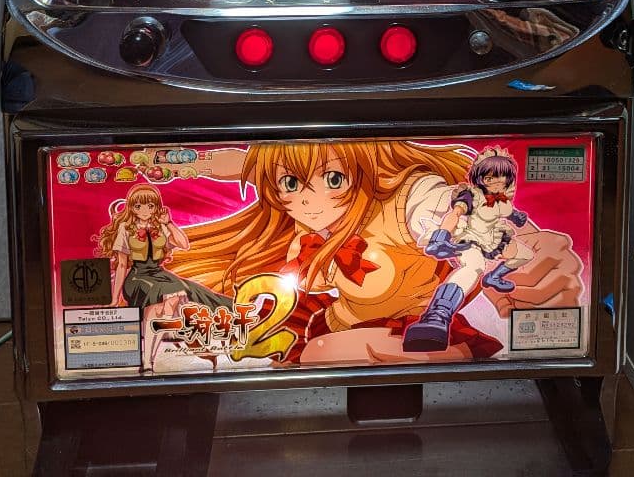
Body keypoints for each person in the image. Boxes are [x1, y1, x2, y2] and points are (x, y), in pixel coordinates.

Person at [171, 140, 583, 366]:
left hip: (413, 329)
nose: (310, 201)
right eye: (292, 186)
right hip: (331, 323)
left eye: (334, 179)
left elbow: (440, 202)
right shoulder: (304, 221)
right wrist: (176, 162)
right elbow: (245, 161)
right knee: (302, 353)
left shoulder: (401, 204)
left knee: (324, 355)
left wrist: (526, 245)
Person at [403, 147, 533, 353]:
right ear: (482, 178)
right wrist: (441, 236)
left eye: (502, 176)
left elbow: (507, 211)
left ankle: (494, 277)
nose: (497, 181)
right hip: (470, 238)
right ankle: (437, 316)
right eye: (491, 177)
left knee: (525, 254)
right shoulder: (471, 195)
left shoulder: (502, 200)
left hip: (493, 238)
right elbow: (454, 214)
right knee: (474, 266)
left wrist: (516, 217)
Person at [96, 184, 229, 372]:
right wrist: (115, 298)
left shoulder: (160, 227)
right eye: (139, 206)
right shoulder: (126, 228)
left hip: (160, 274)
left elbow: (184, 244)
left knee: (172, 300)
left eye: (150, 206)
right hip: (137, 278)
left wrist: (169, 223)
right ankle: (148, 359)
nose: (145, 211)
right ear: (132, 208)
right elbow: (122, 265)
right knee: (168, 295)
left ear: (156, 207)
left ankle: (148, 359)